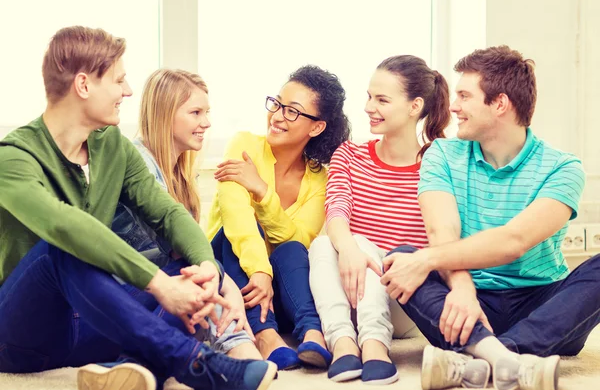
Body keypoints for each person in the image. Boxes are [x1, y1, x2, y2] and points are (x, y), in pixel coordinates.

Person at [0, 26, 276, 390]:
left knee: (184, 272)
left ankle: (132, 369)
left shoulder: (110, 145)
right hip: (19, 336)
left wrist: (208, 270)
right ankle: (197, 365)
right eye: (118, 80)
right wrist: (159, 285)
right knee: (62, 250)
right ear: (84, 85)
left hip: (85, 329)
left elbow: (168, 212)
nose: (128, 91)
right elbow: (66, 227)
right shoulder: (14, 158)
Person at [380, 46, 593, 390]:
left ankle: (479, 358)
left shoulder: (563, 168)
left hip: (542, 305)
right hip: (465, 306)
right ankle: (509, 363)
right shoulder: (442, 153)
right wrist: (462, 287)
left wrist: (428, 259)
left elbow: (514, 241)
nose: (453, 106)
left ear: (500, 104)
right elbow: (441, 229)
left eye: (465, 95)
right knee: (403, 256)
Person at [308, 55, 451, 385]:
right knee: (325, 244)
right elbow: (337, 212)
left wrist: (359, 250)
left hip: (402, 303)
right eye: (369, 96)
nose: (369, 107)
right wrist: (352, 251)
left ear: (415, 106)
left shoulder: (438, 163)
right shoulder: (349, 154)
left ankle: (374, 347)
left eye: (382, 99)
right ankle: (343, 342)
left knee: (356, 243)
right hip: (348, 290)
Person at [111, 68, 262, 361]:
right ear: (166, 114)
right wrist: (226, 288)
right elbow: (181, 256)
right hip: (126, 290)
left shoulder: (179, 171)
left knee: (225, 248)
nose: (206, 123)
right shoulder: (138, 163)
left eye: (206, 112)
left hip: (156, 287)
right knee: (197, 278)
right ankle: (243, 351)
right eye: (195, 113)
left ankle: (242, 343)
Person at [207, 65, 351, 371]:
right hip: (232, 281)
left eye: (292, 111)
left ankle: (312, 332)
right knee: (240, 231)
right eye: (277, 104)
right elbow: (236, 219)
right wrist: (260, 271)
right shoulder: (244, 145)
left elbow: (300, 241)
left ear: (316, 127)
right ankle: (265, 335)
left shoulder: (320, 179)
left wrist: (262, 191)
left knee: (293, 249)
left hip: (283, 294)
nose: (277, 115)